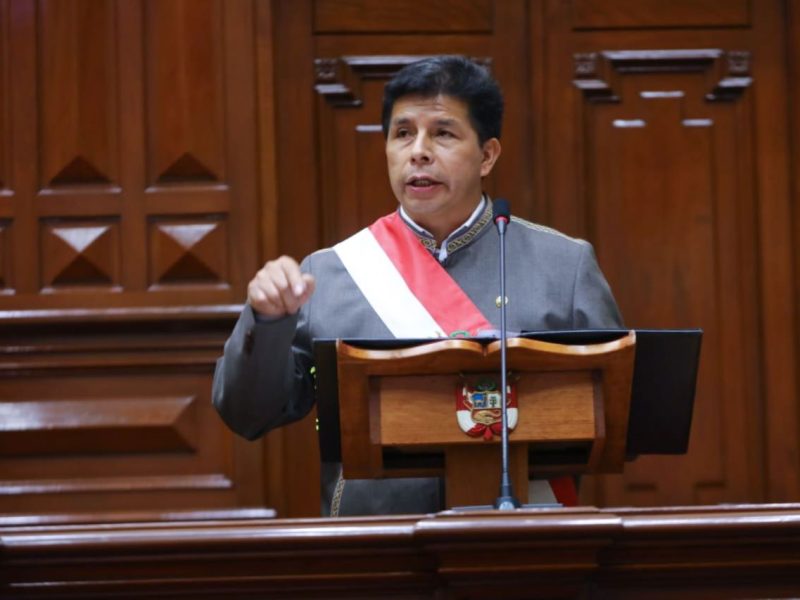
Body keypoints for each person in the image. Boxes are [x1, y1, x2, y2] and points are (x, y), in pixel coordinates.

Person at [213, 55, 623, 516]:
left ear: (487, 155)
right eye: (403, 133)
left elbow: (623, 420)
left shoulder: (563, 266)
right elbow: (246, 415)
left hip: (522, 542)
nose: (419, 151)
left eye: (443, 133)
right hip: (376, 549)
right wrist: (267, 321)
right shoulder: (329, 274)